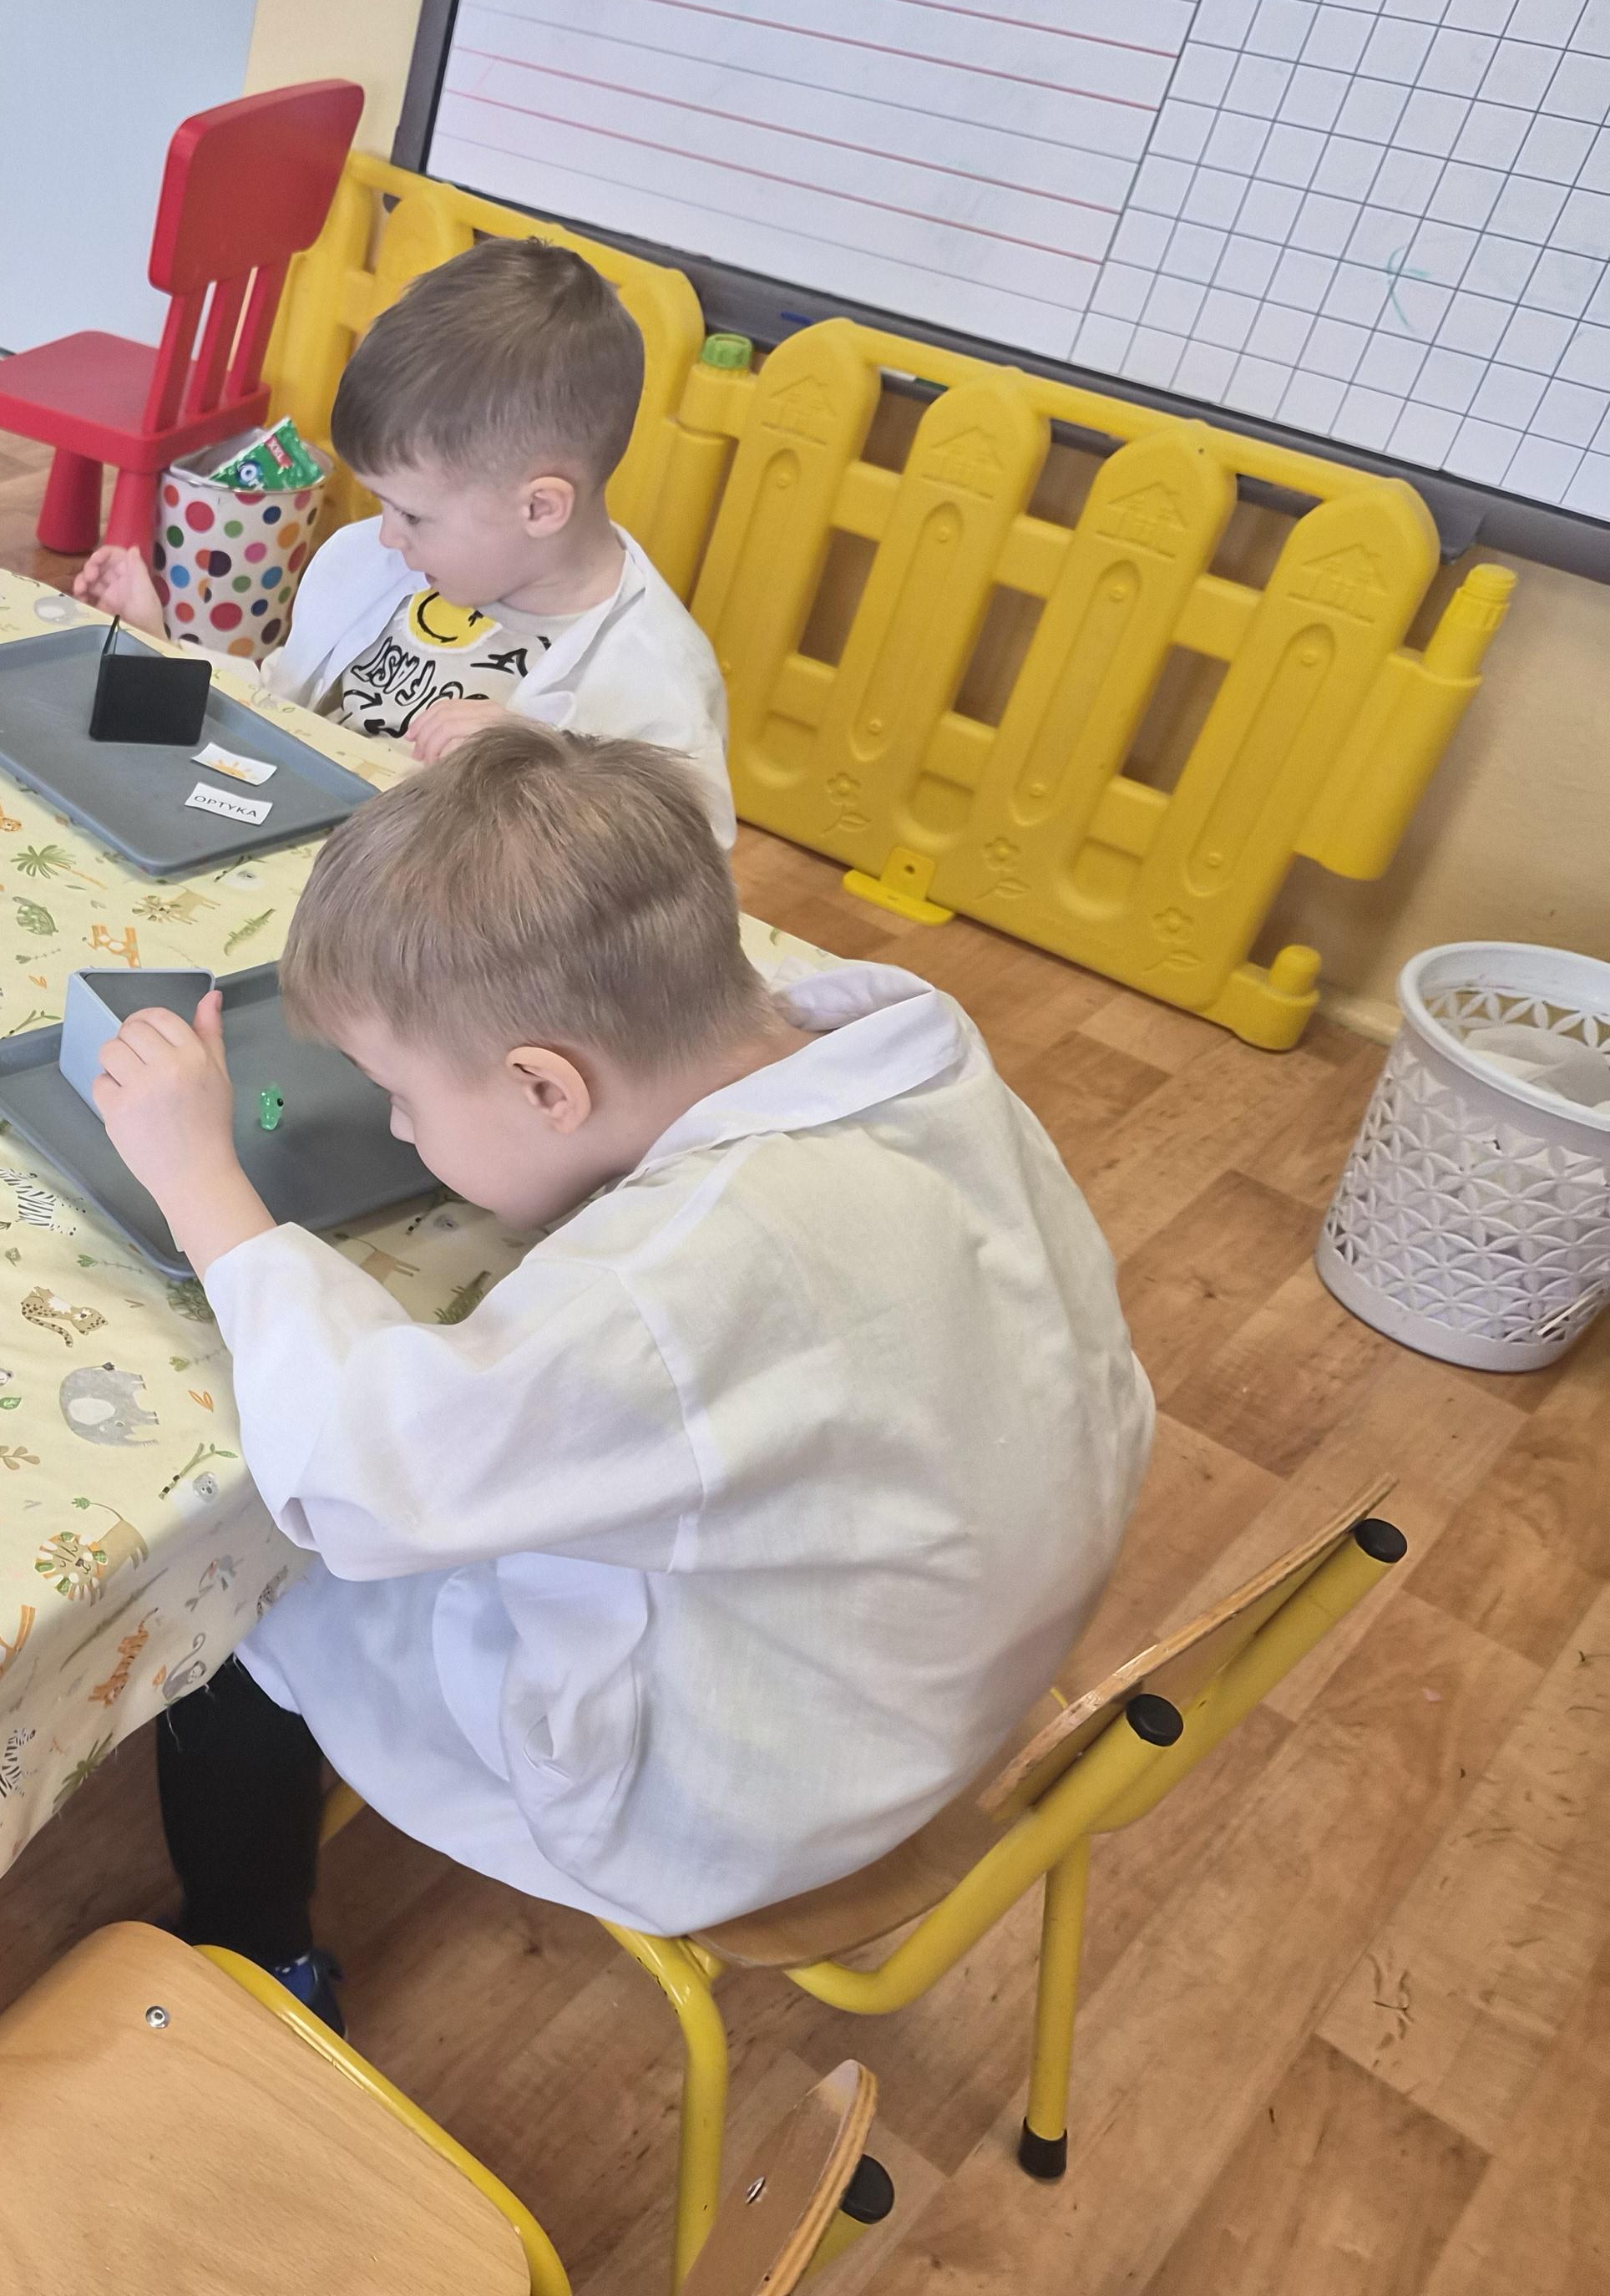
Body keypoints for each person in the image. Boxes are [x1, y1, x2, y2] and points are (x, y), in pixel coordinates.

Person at [88, 725, 1150, 2024]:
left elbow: (365, 1477)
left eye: (399, 1095)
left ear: (547, 1087)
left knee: (233, 1594)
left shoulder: (678, 1286)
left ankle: (258, 1954)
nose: (398, 1129)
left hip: (762, 1789)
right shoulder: (904, 1050)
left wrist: (202, 1181)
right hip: (962, 1663)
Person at [74, 237, 737, 843]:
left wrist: (542, 770)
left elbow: (674, 877)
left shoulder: (655, 678)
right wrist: (161, 650)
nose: (388, 535)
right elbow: (282, 704)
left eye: (415, 516)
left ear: (540, 507)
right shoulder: (374, 564)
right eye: (383, 504)